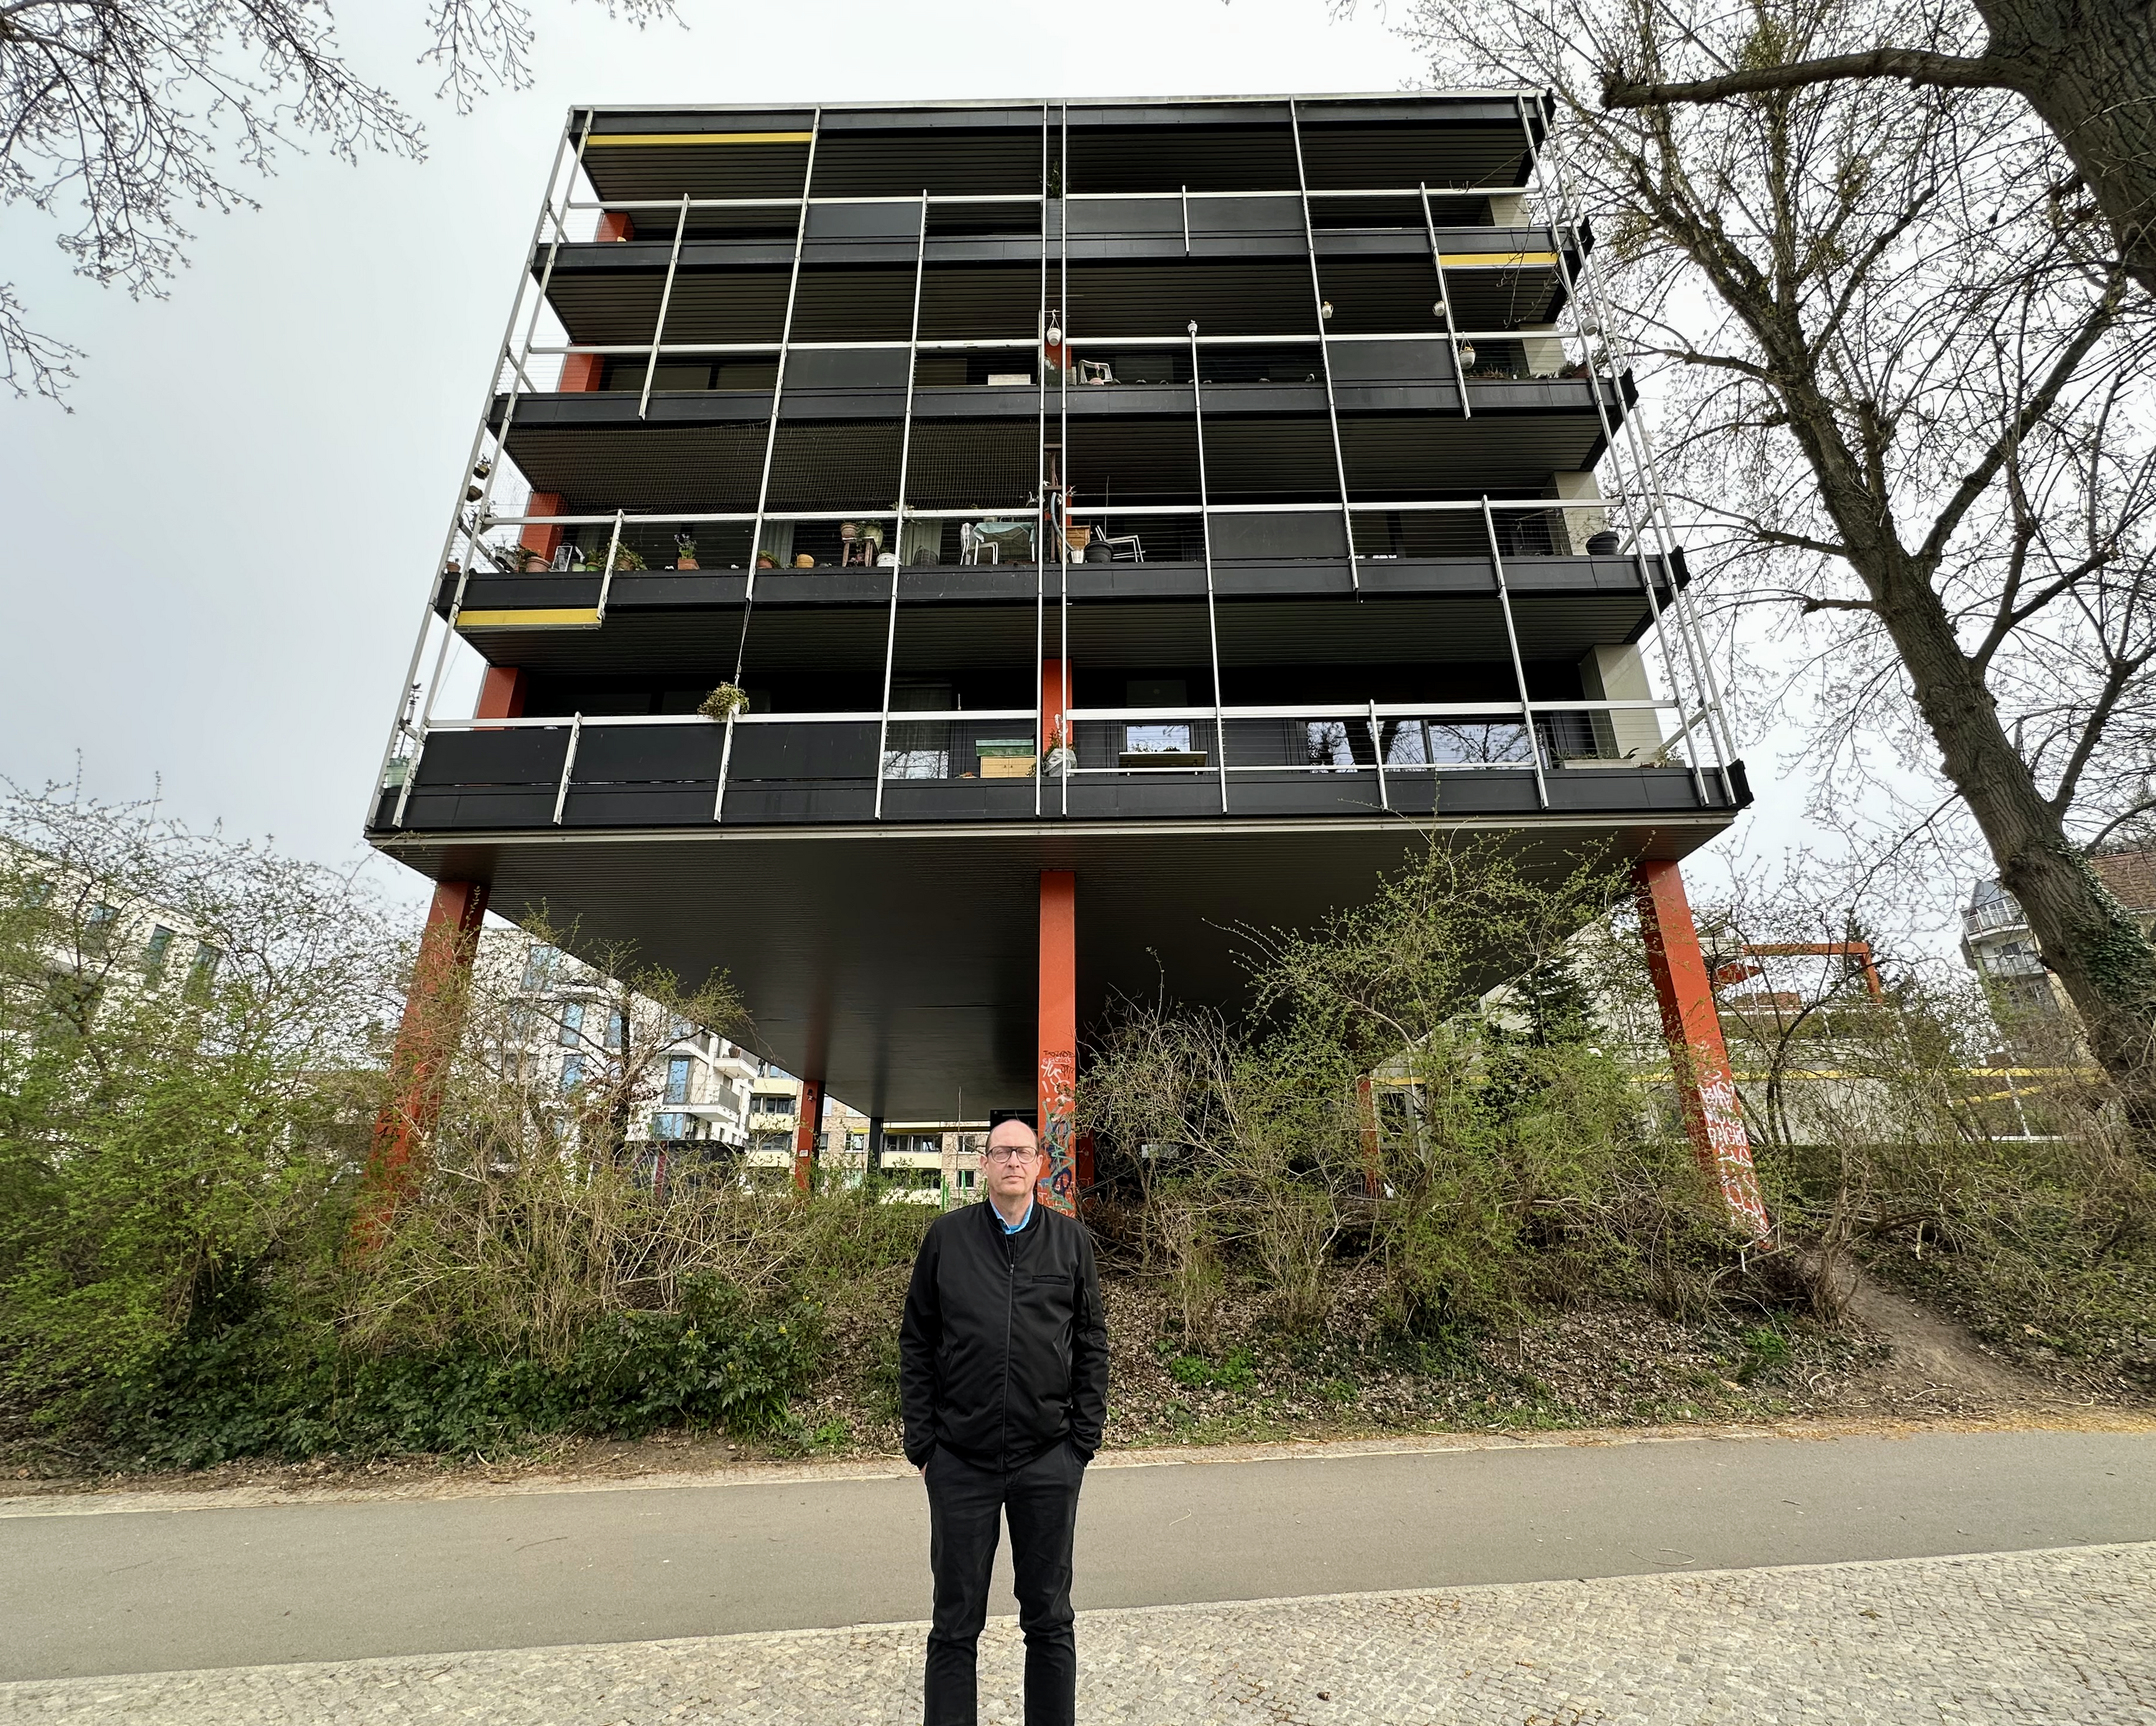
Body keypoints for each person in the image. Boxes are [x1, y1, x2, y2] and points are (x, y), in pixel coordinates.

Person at [899, 1116, 1110, 1726]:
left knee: (1049, 1619)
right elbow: (917, 1341)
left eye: (1023, 1152)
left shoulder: (1070, 1241)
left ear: (1040, 1163)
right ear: (984, 1163)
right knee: (954, 1623)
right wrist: (924, 1445)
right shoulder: (947, 1238)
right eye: (1001, 1152)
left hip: (1047, 1459)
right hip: (960, 1461)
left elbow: (1091, 1342)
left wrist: (1082, 1442)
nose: (1013, 1161)